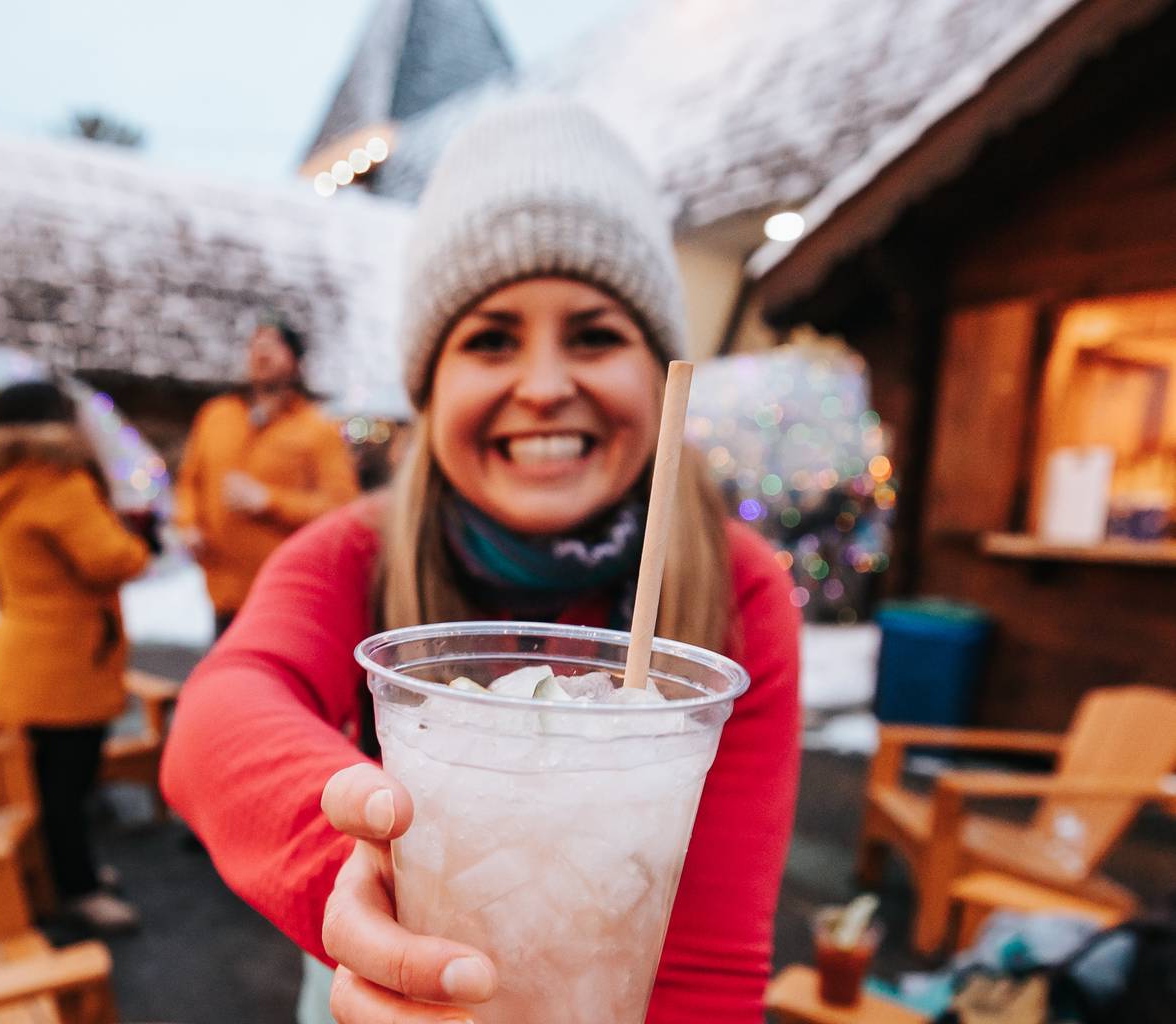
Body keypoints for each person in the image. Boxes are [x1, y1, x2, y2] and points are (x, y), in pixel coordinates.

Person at [162, 97, 800, 1023]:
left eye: (595, 334)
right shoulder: (355, 550)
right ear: (430, 384)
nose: (544, 387)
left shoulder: (736, 585)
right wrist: (348, 859)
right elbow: (218, 717)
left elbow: (705, 961)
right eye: (491, 339)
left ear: (660, 374)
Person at [0, 380, 153, 933]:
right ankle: (78, 890)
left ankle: (69, 875)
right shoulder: (55, 485)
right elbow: (108, 559)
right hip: (64, 662)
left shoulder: (0, 484)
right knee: (69, 784)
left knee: (52, 784)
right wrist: (141, 543)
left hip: (27, 654)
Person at [174, 316, 360, 636]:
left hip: (284, 599)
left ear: (296, 361)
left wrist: (270, 501)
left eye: (274, 343)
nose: (261, 352)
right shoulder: (216, 414)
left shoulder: (317, 430)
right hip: (222, 593)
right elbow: (190, 480)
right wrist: (188, 524)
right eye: (255, 343)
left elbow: (342, 508)